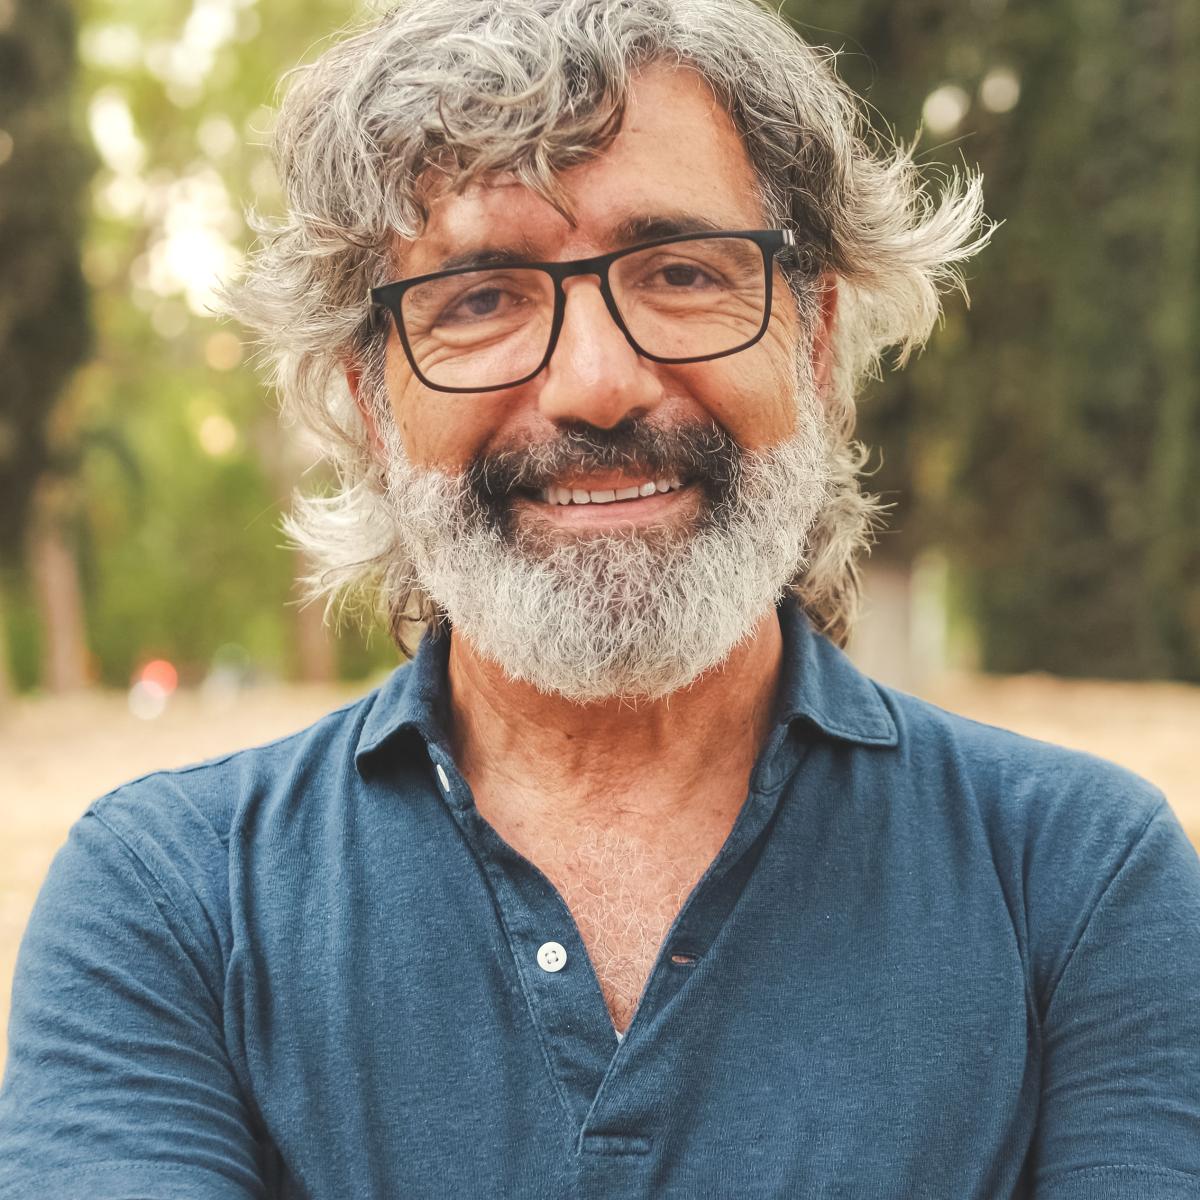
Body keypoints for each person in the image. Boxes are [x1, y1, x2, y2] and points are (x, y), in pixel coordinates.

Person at [3, 0, 1199, 1196]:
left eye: (680, 272)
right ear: (371, 404)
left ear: (816, 342)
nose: (596, 385)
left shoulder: (1078, 880)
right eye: (480, 297)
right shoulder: (171, 904)